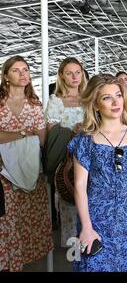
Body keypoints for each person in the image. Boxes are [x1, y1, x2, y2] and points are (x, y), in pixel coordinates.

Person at [68, 74, 127, 272]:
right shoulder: (85, 140)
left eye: (118, 95)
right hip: (95, 218)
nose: (116, 102)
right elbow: (80, 186)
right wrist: (87, 228)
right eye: (107, 98)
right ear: (96, 105)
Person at [0, 55, 53, 271]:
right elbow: (31, 136)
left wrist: (9, 136)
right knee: (8, 222)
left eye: (26, 70)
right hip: (3, 174)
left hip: (31, 173)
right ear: (5, 76)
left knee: (28, 222)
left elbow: (41, 140)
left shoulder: (34, 104)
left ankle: (21, 262)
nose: (23, 74)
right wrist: (24, 134)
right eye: (16, 70)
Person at [45, 57, 87, 246]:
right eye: (69, 73)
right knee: (69, 201)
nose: (74, 76)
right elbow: (51, 132)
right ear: (61, 75)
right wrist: (72, 131)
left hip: (89, 160)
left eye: (77, 72)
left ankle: (89, 245)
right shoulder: (55, 100)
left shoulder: (89, 98)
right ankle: (73, 249)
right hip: (66, 161)